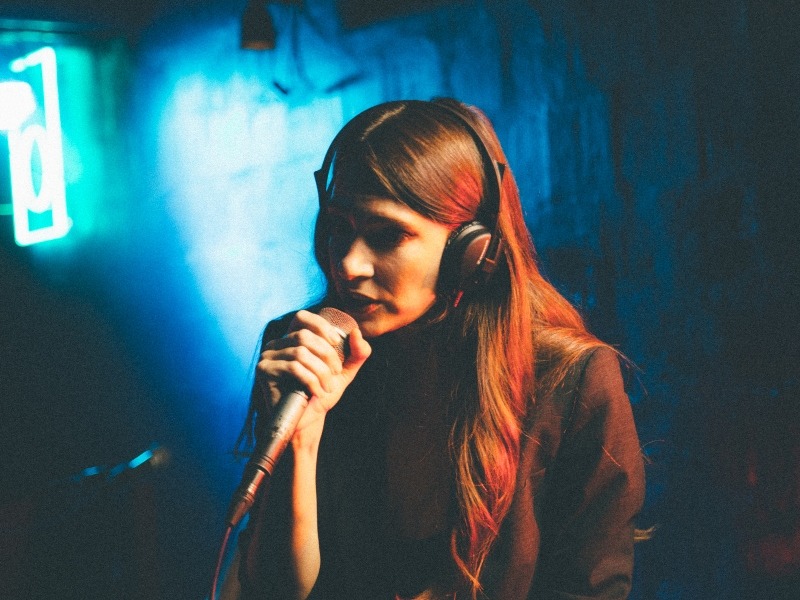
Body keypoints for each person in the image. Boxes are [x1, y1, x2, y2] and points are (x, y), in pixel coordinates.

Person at [224, 98, 645, 600]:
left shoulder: (570, 382)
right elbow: (272, 592)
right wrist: (301, 439)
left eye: (387, 236)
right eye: (339, 228)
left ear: (470, 249)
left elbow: (591, 588)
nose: (350, 264)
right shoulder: (308, 354)